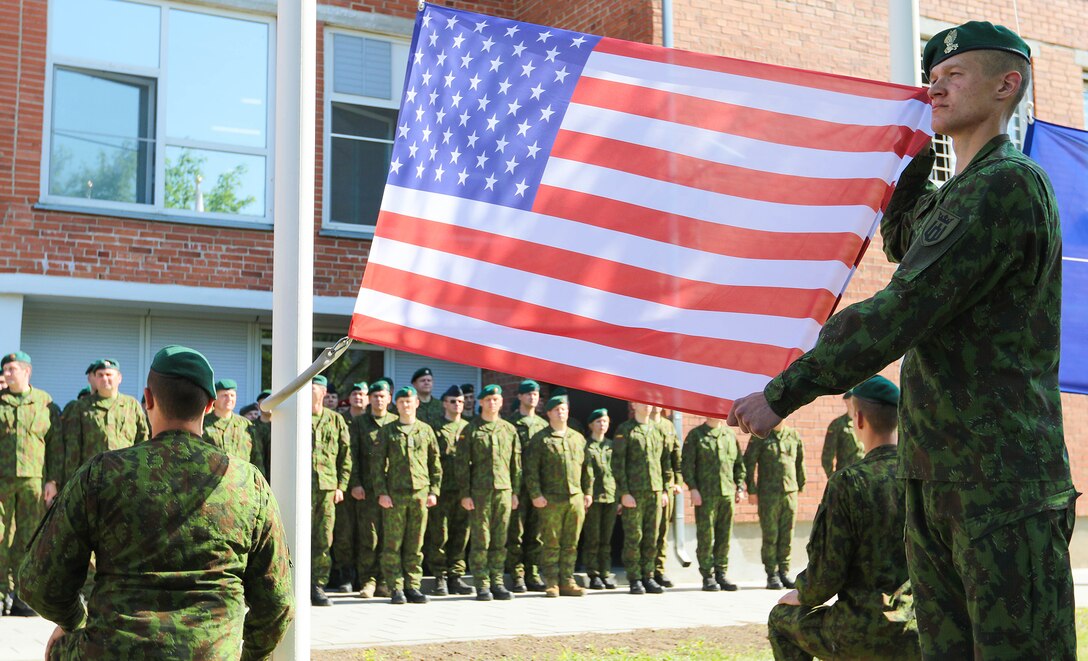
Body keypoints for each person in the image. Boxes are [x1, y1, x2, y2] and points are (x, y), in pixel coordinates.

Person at [728, 21, 1076, 657]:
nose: (935, 89)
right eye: (930, 80)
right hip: (939, 478)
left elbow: (903, 306)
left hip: (998, 484)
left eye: (953, 77)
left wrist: (786, 391)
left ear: (1007, 84)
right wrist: (911, 148)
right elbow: (904, 240)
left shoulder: (1007, 185)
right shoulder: (962, 194)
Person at [20, 345, 293, 658]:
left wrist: (74, 622)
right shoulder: (247, 481)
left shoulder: (101, 474)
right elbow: (278, 602)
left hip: (112, 651)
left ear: (148, 399)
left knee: (59, 650)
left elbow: (39, 584)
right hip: (211, 653)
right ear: (209, 406)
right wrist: (250, 655)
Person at [768, 376, 920, 660]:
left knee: (780, 619)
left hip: (863, 630)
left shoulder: (848, 482)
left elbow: (827, 574)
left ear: (859, 419)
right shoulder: (922, 479)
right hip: (922, 629)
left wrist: (802, 594)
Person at [0, 352, 61, 617]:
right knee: (2, 537)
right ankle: (1, 593)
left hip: (33, 481)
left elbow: (55, 445)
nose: (7, 373)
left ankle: (24, 597)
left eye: (12, 369)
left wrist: (53, 480)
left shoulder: (45, 403)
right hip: (1, 481)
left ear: (27, 371)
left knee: (29, 539)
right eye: (5, 369)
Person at [374, 385, 442, 605]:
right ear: (397, 404)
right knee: (392, 544)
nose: (406, 405)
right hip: (395, 496)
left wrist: (434, 491)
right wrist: (382, 493)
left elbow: (435, 464)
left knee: (416, 544)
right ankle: (396, 587)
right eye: (402, 401)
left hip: (420, 495)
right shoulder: (388, 431)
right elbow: (377, 466)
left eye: (409, 401)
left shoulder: (426, 430)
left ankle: (413, 586)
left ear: (416, 403)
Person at [525, 396, 593, 598]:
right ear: (548, 413)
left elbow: (587, 468)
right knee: (551, 542)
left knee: (571, 542)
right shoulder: (540, 439)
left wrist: (588, 492)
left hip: (575, 497)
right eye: (556, 410)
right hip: (551, 499)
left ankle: (567, 580)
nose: (560, 412)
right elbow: (531, 471)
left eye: (563, 409)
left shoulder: (578, 438)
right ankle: (552, 581)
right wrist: (536, 494)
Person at [458, 384, 521, 601]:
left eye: (496, 399)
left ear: (501, 402)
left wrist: (515, 492)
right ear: (481, 402)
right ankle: (482, 584)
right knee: (480, 540)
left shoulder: (508, 430)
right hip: (479, 493)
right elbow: (462, 465)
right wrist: (465, 493)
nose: (492, 403)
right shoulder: (471, 429)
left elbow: (516, 464)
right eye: (488, 400)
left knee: (500, 540)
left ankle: (497, 582)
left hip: (504, 490)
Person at [611, 401, 670, 594]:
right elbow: (618, 464)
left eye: (649, 403)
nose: (647, 406)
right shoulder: (625, 430)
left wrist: (664, 489)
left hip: (654, 490)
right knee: (634, 537)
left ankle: (649, 576)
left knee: (652, 537)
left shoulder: (657, 429)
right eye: (641, 402)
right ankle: (635, 578)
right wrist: (624, 493)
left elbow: (665, 461)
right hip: (634, 493)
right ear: (633, 405)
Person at [683, 415, 746, 592]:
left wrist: (739, 486)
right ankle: (707, 576)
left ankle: (721, 573)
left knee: (724, 537)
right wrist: (693, 488)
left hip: (726, 493)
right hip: (705, 495)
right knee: (705, 536)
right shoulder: (696, 435)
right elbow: (687, 465)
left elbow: (738, 464)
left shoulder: (729, 435)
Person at [349, 379, 398, 599]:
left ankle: (386, 580)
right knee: (369, 536)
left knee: (390, 536)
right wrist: (356, 483)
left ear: (389, 399)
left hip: (393, 489)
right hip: (367, 489)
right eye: (375, 396)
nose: (379, 400)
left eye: (383, 396)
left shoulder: (397, 422)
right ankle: (368, 580)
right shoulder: (360, 423)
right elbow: (353, 456)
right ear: (370, 399)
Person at [64, 359, 150, 478]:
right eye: (100, 375)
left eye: (109, 374)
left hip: (125, 476)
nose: (104, 378)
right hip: (92, 477)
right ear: (94, 379)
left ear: (119, 378)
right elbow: (73, 446)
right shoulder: (81, 407)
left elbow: (143, 439)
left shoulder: (131, 405)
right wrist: (72, 479)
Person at [744, 422, 805, 589]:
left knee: (787, 534)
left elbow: (800, 462)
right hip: (768, 494)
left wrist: (800, 485)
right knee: (771, 534)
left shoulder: (793, 435)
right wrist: (751, 489)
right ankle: (772, 573)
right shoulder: (760, 434)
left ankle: (784, 571)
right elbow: (749, 463)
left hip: (790, 492)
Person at [424, 385, 472, 596]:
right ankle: (440, 577)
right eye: (453, 401)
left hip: (463, 490)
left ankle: (456, 576)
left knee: (461, 534)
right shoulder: (434, 427)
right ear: (444, 403)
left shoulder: (469, 427)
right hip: (442, 490)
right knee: (439, 534)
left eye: (460, 401)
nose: (457, 405)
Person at [309, 375, 352, 607]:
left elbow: (346, 456)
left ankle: (317, 585)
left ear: (323, 392)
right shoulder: (297, 418)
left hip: (327, 488)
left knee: (324, 538)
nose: (309, 392)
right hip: (302, 487)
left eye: (313, 388)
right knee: (298, 536)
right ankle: (296, 583)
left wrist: (341, 486)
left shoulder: (336, 420)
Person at [505, 379, 548, 592]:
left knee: (537, 533)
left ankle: (533, 573)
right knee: (516, 533)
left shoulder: (543, 425)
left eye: (536, 394)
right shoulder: (510, 423)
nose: (533, 397)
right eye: (528, 394)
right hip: (519, 486)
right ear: (520, 397)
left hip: (538, 487)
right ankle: (517, 574)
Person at [330, 382, 369, 593]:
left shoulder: (376, 420)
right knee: (344, 533)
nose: (358, 397)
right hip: (345, 486)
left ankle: (365, 577)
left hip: (370, 487)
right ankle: (345, 575)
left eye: (362, 394)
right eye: (354, 393)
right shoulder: (340, 420)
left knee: (367, 535)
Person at [581, 408, 617, 590]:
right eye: (598, 422)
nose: (602, 425)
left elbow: (617, 471)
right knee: (593, 537)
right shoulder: (586, 446)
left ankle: (606, 572)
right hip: (593, 497)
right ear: (591, 425)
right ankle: (593, 573)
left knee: (606, 538)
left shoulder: (612, 445)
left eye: (605, 421)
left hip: (611, 496)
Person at [649, 406, 682, 587]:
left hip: (667, 486)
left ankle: (659, 570)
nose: (654, 406)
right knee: (649, 532)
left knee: (662, 531)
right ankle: (647, 571)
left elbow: (676, 455)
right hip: (649, 486)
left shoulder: (668, 426)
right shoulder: (644, 426)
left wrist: (677, 480)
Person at [202, 379, 253, 462]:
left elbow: (257, 456)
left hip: (241, 474)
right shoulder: (202, 423)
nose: (229, 399)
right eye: (224, 395)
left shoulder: (245, 424)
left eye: (232, 395)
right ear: (214, 398)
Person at [821, 393, 862, 477]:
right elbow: (827, 456)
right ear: (846, 401)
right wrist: (833, 478)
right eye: (853, 398)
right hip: (846, 476)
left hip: (864, 476)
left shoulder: (865, 422)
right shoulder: (837, 424)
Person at [250, 389, 273, 480]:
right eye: (265, 402)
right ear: (259, 406)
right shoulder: (251, 426)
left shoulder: (281, 427)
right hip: (258, 475)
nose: (269, 405)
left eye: (271, 402)